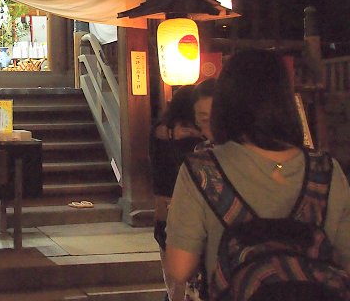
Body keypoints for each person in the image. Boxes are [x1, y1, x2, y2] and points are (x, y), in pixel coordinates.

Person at [165, 49, 350, 300]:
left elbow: (179, 267)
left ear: (225, 103)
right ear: (286, 100)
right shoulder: (325, 170)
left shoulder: (203, 171)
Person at [149, 85, 205, 301]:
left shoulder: (160, 131)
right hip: (183, 210)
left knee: (174, 282)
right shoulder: (193, 140)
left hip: (163, 210)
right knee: (186, 283)